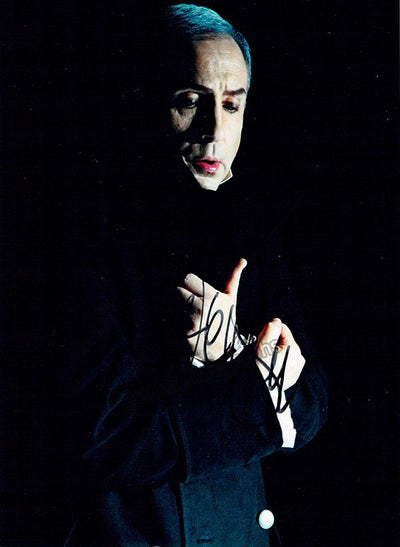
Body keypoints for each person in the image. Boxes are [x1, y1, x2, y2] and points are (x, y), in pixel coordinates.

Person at [60, 4, 327, 546]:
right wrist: (251, 393)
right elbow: (102, 433)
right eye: (190, 101)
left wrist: (235, 353)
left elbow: (313, 401)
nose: (215, 130)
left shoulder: (254, 231)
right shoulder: (80, 236)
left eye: (232, 105)